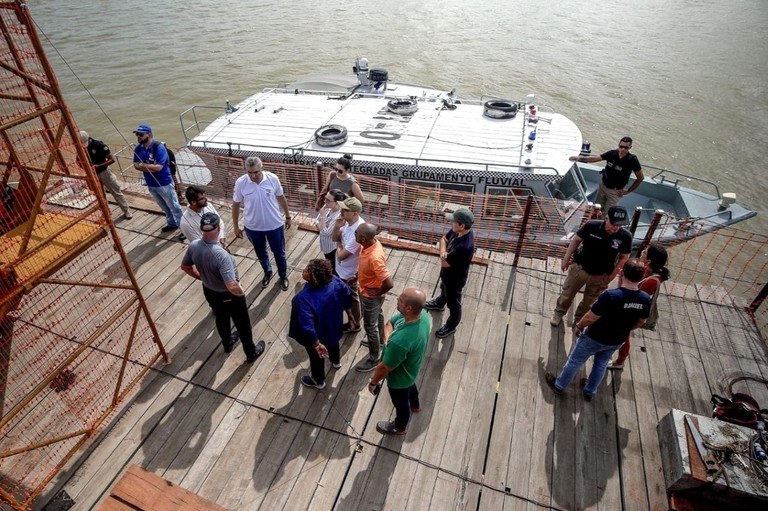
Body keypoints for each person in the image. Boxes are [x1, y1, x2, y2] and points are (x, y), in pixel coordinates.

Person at [545, 258, 651, 400]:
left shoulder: (611, 296)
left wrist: (579, 326)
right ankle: (589, 391)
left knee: (575, 361)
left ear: (622, 273)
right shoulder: (644, 299)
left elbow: (591, 317)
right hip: (617, 339)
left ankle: (559, 386)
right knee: (600, 364)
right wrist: (626, 328)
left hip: (595, 337)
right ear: (642, 276)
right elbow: (641, 321)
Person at [180, 213, 264, 363]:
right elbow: (231, 285)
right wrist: (241, 292)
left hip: (209, 291)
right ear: (218, 228)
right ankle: (251, 353)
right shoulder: (221, 256)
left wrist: (202, 277)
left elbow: (185, 266)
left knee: (221, 318)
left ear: (201, 229)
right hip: (228, 295)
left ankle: (227, 343)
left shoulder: (193, 246)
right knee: (243, 325)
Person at [551, 205, 632, 327]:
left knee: (590, 301)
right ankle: (559, 312)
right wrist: (566, 258)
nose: (616, 227)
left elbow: (624, 258)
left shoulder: (626, 236)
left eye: (620, 225)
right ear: (606, 218)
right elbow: (576, 240)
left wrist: (612, 276)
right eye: (614, 223)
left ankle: (579, 319)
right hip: (580, 268)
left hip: (602, 275)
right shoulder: (592, 226)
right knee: (568, 294)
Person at [367, 287, 431, 435]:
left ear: (408, 308)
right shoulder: (422, 316)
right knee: (411, 387)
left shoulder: (401, 341)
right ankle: (415, 406)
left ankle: (399, 426)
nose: (397, 299)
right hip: (412, 369)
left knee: (401, 404)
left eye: (400, 300)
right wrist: (387, 336)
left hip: (399, 380)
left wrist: (373, 383)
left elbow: (384, 368)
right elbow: (390, 323)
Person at [288, 259, 355, 389]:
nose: (303, 270)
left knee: (317, 357)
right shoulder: (334, 280)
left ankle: (318, 380)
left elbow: (307, 326)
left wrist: (317, 344)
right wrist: (350, 315)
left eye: (307, 270)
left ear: (313, 278)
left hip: (318, 336)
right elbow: (347, 291)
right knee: (334, 344)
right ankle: (336, 362)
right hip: (334, 326)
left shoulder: (303, 299)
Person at [232, 156, 292, 291]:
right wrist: (236, 227)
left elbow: (281, 197)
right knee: (261, 253)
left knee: (279, 252)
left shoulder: (272, 178)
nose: (253, 176)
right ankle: (268, 272)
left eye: (256, 172)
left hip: (274, 225)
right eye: (250, 172)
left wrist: (288, 216)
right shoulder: (241, 183)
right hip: (253, 227)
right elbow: (235, 205)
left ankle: (283, 276)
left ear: (261, 169)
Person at [609, 243, 670, 369]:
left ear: (648, 261)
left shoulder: (652, 281)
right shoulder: (648, 272)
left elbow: (632, 295)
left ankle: (620, 361)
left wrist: (623, 280)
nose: (642, 252)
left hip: (631, 312)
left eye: (644, 253)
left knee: (624, 337)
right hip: (631, 307)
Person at [424, 208, 476, 338]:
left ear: (462, 225)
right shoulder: (458, 231)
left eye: (453, 222)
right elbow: (443, 239)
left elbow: (444, 263)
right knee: (443, 288)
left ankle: (451, 325)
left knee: (454, 304)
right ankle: (440, 303)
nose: (451, 224)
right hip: (447, 275)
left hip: (455, 280)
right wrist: (443, 252)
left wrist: (443, 254)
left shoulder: (464, 247)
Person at [354, 223, 394, 372]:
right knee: (378, 315)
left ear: (363, 238)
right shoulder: (370, 245)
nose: (355, 234)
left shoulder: (374, 257)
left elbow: (389, 283)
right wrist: (357, 277)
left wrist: (377, 293)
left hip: (370, 296)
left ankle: (374, 358)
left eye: (356, 233)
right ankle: (381, 341)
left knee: (370, 326)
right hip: (365, 289)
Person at [132, 124, 183, 233]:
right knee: (164, 207)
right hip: (151, 184)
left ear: (149, 134)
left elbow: (159, 167)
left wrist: (143, 165)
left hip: (164, 183)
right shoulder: (138, 148)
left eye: (141, 134)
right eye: (137, 134)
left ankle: (183, 229)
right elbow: (136, 165)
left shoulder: (158, 147)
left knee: (175, 207)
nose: (138, 137)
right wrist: (149, 167)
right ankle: (172, 223)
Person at [570, 136, 643, 211]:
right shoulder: (612, 153)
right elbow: (596, 158)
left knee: (607, 214)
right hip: (603, 186)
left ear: (630, 147)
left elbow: (640, 178)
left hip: (615, 192)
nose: (623, 149)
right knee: (596, 210)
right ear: (618, 145)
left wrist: (628, 191)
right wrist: (578, 158)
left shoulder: (632, 160)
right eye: (621, 146)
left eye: (626, 147)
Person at [80, 131, 132, 219]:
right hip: (93, 174)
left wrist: (98, 166)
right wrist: (85, 167)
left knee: (116, 192)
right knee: (99, 195)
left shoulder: (99, 145)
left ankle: (126, 211)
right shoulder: (80, 148)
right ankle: (105, 212)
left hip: (105, 172)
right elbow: (78, 160)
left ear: (89, 139)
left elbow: (112, 159)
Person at [332, 196, 366, 331]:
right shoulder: (346, 222)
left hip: (349, 273)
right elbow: (335, 237)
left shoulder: (358, 231)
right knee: (347, 298)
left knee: (352, 299)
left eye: (345, 209)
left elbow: (341, 256)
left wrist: (339, 245)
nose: (342, 211)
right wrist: (336, 227)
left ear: (355, 213)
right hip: (342, 270)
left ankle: (355, 324)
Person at [316, 189, 347, 273]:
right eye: (325, 199)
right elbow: (316, 221)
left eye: (328, 200)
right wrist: (322, 225)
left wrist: (323, 218)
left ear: (337, 203)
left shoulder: (338, 216)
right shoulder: (327, 208)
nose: (325, 201)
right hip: (325, 244)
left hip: (332, 247)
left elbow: (325, 233)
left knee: (333, 267)